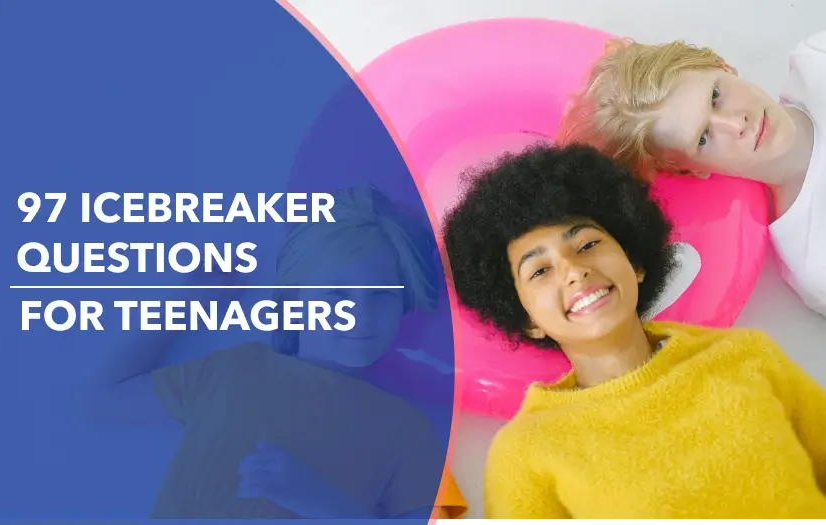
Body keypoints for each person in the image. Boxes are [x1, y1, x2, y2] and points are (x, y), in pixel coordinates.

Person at [440, 143, 826, 520]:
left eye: (587, 244)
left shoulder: (747, 356)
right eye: (540, 271)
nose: (575, 271)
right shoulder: (525, 454)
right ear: (527, 319)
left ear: (636, 263)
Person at [84, 185, 466, 520]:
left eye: (383, 295)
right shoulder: (232, 370)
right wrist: (186, 304)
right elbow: (102, 399)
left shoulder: (407, 429)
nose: (360, 315)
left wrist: (328, 506)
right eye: (336, 294)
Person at [556, 31, 826, 317]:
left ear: (720, 64)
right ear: (691, 169)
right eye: (703, 138)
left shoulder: (815, 58)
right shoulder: (815, 258)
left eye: (715, 96)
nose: (737, 124)